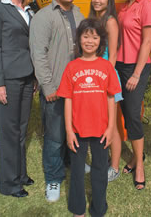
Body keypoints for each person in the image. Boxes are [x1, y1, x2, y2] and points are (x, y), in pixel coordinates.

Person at [57, 18, 121, 217]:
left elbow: (111, 98)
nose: (90, 41)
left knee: (100, 170)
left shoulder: (106, 67)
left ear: (100, 41)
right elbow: (67, 100)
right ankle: (77, 208)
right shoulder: (71, 67)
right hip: (78, 130)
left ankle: (98, 208)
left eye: (94, 37)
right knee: (76, 171)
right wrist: (69, 130)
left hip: (101, 130)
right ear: (79, 39)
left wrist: (111, 128)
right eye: (86, 36)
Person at [29, 0, 84, 202]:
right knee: (54, 135)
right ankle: (53, 178)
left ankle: (74, 162)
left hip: (78, 88)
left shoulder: (80, 14)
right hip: (55, 88)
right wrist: (48, 86)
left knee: (77, 130)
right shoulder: (44, 16)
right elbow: (38, 54)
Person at [116, 0, 151, 190]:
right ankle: (135, 157)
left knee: (133, 115)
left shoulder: (148, 6)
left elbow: (148, 42)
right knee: (126, 113)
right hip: (119, 66)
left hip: (137, 68)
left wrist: (135, 73)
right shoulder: (123, 7)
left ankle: (139, 165)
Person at [0, 0, 35, 197]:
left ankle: (20, 174)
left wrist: (36, 77)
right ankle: (9, 184)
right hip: (8, 78)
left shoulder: (29, 10)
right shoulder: (0, 9)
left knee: (21, 129)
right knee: (8, 132)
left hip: (27, 76)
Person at [89, 0, 123, 182]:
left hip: (107, 79)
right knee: (98, 124)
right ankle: (101, 161)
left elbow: (113, 55)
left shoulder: (110, 22)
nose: (97, 0)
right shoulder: (93, 20)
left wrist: (104, 80)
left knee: (112, 125)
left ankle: (115, 167)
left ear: (108, 0)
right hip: (92, 77)